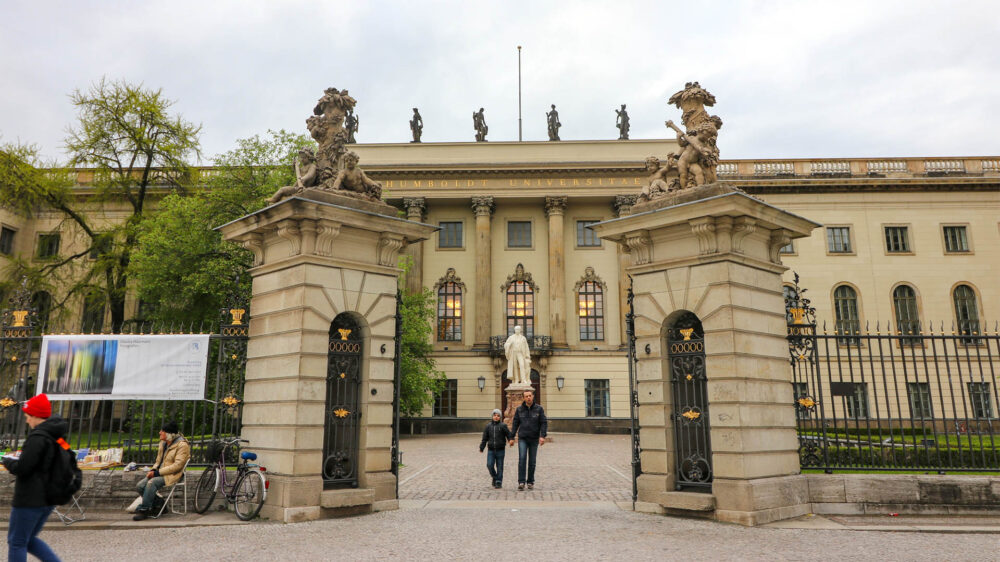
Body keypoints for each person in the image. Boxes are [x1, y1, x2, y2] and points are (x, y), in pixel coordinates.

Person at [1, 393, 64, 562]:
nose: (27, 420)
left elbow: (24, 468)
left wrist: (7, 461)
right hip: (48, 496)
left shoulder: (37, 438)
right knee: (28, 540)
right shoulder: (57, 435)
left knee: (17, 542)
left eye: (28, 416)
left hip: (30, 497)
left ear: (36, 416)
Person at [132, 421, 190, 521]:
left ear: (169, 434)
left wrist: (157, 473)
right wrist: (154, 469)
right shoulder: (163, 443)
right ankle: (159, 504)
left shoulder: (182, 445)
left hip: (173, 474)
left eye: (162, 431)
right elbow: (158, 461)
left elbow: (178, 466)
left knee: (152, 482)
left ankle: (144, 510)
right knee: (140, 486)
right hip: (159, 473)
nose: (159, 433)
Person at [510, 389, 547, 491]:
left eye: (530, 395)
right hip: (523, 438)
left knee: (532, 461)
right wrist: (511, 437)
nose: (528, 398)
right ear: (523, 398)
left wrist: (542, 436)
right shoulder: (519, 409)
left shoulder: (539, 409)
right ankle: (521, 482)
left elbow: (543, 423)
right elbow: (515, 424)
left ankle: (530, 481)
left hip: (534, 438)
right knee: (522, 459)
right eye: (526, 396)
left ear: (533, 396)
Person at [479, 409, 513, 489]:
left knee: (500, 466)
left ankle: (499, 481)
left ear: (500, 417)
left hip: (500, 449)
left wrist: (510, 440)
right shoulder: (488, 426)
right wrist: (482, 447)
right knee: (489, 465)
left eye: (498, 416)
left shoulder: (503, 426)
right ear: (492, 416)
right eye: (495, 415)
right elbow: (485, 438)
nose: (496, 417)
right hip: (491, 449)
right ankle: (494, 476)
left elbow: (508, 434)